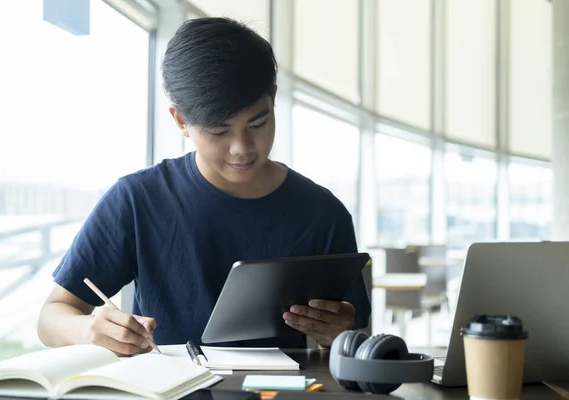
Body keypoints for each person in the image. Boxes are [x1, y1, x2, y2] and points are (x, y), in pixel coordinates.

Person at [37, 17, 370, 357]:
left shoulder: (322, 213)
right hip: (168, 391)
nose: (242, 147)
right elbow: (51, 318)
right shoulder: (138, 200)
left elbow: (354, 334)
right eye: (218, 131)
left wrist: (339, 334)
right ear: (181, 121)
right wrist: (91, 328)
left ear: (273, 98)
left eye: (258, 122)